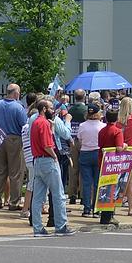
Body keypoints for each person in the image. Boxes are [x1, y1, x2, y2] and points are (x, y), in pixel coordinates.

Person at [29, 99, 77, 236]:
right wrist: (54, 156)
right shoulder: (43, 123)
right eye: (50, 108)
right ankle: (61, 225)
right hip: (48, 160)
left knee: (38, 197)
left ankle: (38, 228)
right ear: (44, 109)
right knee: (59, 194)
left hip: (37, 160)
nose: (53, 111)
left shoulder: (35, 122)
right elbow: (47, 145)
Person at [0, 83, 28, 211]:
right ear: (16, 93)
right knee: (15, 172)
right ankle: (13, 202)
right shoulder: (18, 107)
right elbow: (24, 124)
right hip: (14, 139)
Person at [77, 102, 104, 217]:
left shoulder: (82, 125)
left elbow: (80, 140)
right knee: (98, 182)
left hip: (85, 153)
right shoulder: (102, 126)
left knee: (87, 183)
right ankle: (96, 209)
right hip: (97, 152)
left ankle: (87, 208)